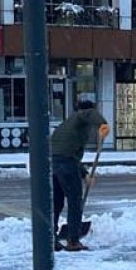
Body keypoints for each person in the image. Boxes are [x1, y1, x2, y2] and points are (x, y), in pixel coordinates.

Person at [50, 100, 109, 252]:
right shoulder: (81, 117)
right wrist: (103, 125)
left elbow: (69, 154)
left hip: (52, 163)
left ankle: (51, 238)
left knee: (56, 202)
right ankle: (73, 240)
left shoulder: (68, 124)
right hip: (65, 163)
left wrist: (85, 175)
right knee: (75, 200)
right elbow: (89, 113)